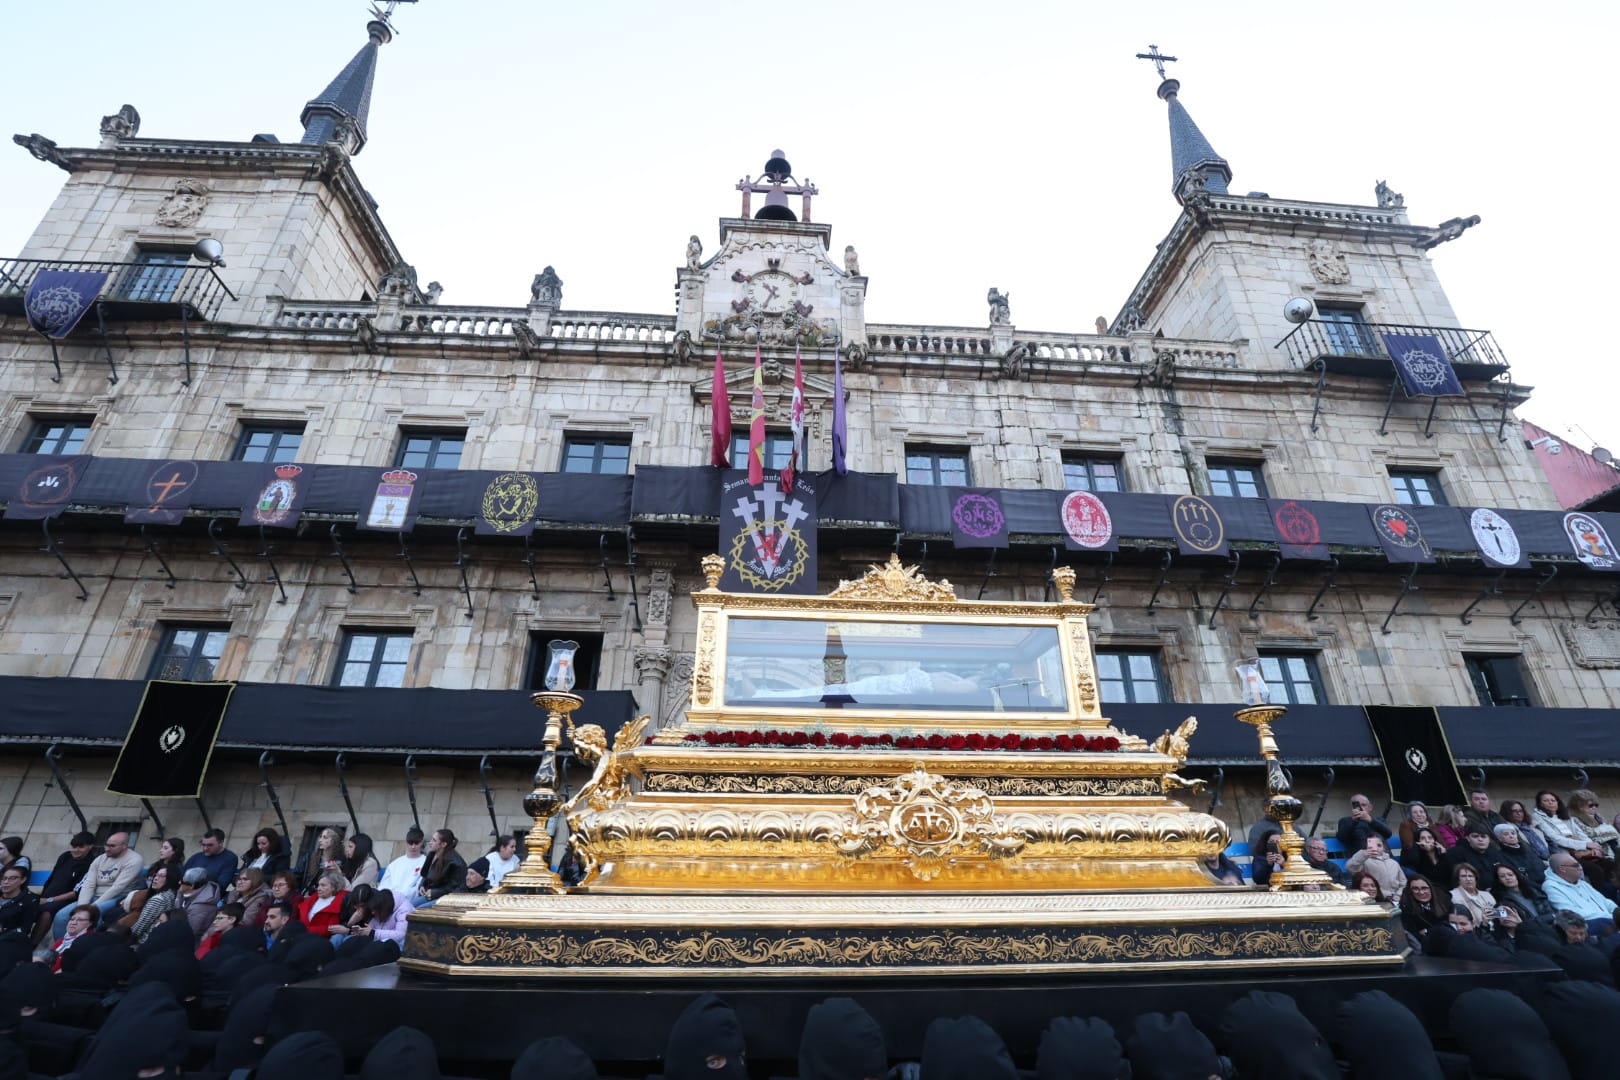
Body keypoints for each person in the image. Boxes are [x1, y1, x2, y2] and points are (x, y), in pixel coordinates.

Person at [59, 830, 141, 937]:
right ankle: (61, 946)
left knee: (94, 915)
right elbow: (89, 884)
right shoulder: (100, 858)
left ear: (124, 846)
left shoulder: (134, 860)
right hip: (93, 895)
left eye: (112, 846)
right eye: (106, 845)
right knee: (61, 916)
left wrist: (92, 907)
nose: (107, 848)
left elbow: (117, 887)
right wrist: (81, 907)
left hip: (116, 897)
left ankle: (85, 944)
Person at [1531, 789, 1610, 874]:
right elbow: (1555, 838)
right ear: (1540, 804)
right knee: (1595, 870)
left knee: (1609, 865)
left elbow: (1580, 833)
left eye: (1553, 800)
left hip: (1580, 848)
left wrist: (1591, 846)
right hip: (1563, 851)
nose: (1550, 802)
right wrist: (1585, 844)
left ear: (1558, 802)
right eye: (1546, 800)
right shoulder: (1537, 816)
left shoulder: (1565, 816)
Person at [1545, 852, 1619, 939]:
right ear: (1562, 869)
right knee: (1605, 923)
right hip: (1586, 925)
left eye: (1579, 864)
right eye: (1576, 865)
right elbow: (1572, 914)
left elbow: (1605, 902)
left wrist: (1617, 912)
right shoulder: (1551, 887)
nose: (1580, 867)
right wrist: (1610, 917)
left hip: (1607, 919)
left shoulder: (1581, 882)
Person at [37, 831, 97, 921]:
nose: (76, 850)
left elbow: (76, 892)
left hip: (66, 901)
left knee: (48, 911)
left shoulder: (92, 863)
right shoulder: (65, 856)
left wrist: (49, 900)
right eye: (74, 847)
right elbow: (52, 878)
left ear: (90, 846)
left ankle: (37, 936)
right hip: (46, 897)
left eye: (81, 847)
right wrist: (42, 898)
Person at [125, 863, 180, 941]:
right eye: (156, 875)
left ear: (170, 879)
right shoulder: (172, 894)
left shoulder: (158, 899)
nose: (156, 878)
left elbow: (138, 929)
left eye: (161, 876)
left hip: (143, 942)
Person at [1346, 835, 1405, 902]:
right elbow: (1351, 867)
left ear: (1384, 848)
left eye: (1379, 845)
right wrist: (1363, 854)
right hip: (1376, 898)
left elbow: (1403, 882)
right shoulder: (1364, 862)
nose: (1376, 848)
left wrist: (1398, 894)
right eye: (1371, 846)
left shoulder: (1393, 863)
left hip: (1396, 898)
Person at [1398, 875, 1451, 950]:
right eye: (1415, 889)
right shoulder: (1406, 909)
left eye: (1424, 888)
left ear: (1430, 888)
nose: (1421, 892)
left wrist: (1427, 930)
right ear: (1410, 891)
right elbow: (1413, 934)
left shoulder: (1443, 900)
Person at [416, 829, 466, 904]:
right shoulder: (432, 854)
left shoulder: (454, 862)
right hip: (430, 895)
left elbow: (452, 887)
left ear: (443, 844)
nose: (430, 843)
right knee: (409, 906)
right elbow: (426, 874)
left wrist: (433, 892)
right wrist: (422, 885)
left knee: (418, 910)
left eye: (434, 840)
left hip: (446, 898)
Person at [1567, 789, 1620, 860]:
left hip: (1612, 847)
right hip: (1599, 852)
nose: (1594, 807)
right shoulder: (1574, 819)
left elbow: (1613, 832)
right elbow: (1590, 833)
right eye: (1591, 805)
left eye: (1596, 805)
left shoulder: (1598, 817)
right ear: (1580, 806)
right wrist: (1606, 830)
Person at [1491, 823, 1546, 888]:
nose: (1511, 836)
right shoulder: (1501, 856)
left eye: (1513, 833)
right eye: (1506, 834)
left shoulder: (1528, 850)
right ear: (1499, 838)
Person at [176, 865, 223, 940]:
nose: (179, 882)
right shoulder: (186, 891)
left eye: (182, 881)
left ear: (191, 886)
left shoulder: (199, 908)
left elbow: (188, 932)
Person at [379, 827, 428, 897]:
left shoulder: (426, 862)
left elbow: (419, 887)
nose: (413, 846)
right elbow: (383, 886)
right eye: (410, 843)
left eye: (416, 843)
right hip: (390, 900)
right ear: (406, 842)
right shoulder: (395, 864)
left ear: (422, 842)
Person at [298, 869, 348, 936]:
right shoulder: (312, 899)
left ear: (334, 887)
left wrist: (306, 930)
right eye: (318, 885)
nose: (318, 888)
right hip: (300, 935)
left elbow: (330, 929)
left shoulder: (338, 903)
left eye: (323, 885)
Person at [50, 904, 97, 972]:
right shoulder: (62, 940)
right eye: (72, 919)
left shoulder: (86, 945)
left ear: (90, 923)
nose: (73, 923)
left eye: (80, 920)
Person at [1449, 864, 1496, 929]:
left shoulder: (1487, 895)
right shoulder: (1453, 895)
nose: (1468, 879)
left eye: (1471, 876)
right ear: (1458, 880)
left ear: (1475, 878)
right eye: (1463, 876)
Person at [0, 863, 39, 934]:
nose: (6, 882)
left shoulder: (29, 900)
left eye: (12, 878)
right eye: (4, 878)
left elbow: (25, 929)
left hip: (9, 939)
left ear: (23, 880)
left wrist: (3, 930)